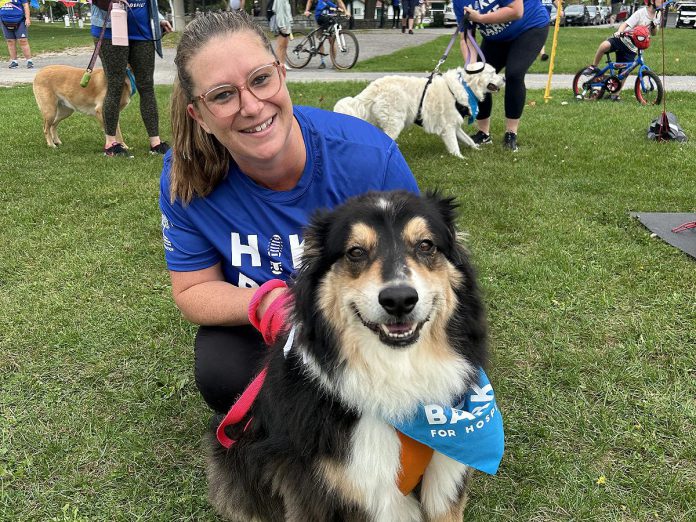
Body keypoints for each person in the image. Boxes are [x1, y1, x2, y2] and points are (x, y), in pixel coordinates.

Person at [160, 10, 419, 415]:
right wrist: (266, 304)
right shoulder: (185, 176)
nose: (251, 106)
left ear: (282, 72)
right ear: (200, 115)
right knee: (222, 370)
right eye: (223, 95)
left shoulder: (369, 159)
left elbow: (420, 266)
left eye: (261, 79)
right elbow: (192, 291)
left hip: (365, 317)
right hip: (269, 325)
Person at [454, 0, 550, 152]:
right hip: (496, 38)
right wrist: (472, 68)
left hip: (529, 27)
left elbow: (516, 11)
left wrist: (480, 18)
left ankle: (511, 133)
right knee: (478, 77)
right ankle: (484, 133)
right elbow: (466, 38)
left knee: (514, 73)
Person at [90, 0, 173, 157]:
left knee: (147, 86)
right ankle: (111, 143)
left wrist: (159, 18)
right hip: (110, 31)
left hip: (143, 32)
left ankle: (156, 143)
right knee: (115, 85)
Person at [585, 0, 661, 100]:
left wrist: (654, 26)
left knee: (624, 72)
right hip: (622, 39)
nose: (663, 1)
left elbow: (654, 33)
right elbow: (625, 24)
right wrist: (619, 32)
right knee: (604, 46)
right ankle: (594, 66)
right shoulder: (641, 13)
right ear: (652, 1)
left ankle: (615, 95)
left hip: (633, 47)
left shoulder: (657, 15)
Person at [304, 0, 348, 69]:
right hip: (319, 19)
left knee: (332, 41)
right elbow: (310, 1)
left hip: (329, 20)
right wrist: (307, 10)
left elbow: (340, 2)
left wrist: (346, 11)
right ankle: (322, 62)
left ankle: (334, 62)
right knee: (321, 41)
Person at [1, 0, 33, 69]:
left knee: (23, 40)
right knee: (10, 41)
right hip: (4, 20)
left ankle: (29, 61)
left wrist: (27, 18)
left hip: (19, 20)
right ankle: (14, 61)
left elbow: (26, 5)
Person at [270, 0, 293, 67]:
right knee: (280, 45)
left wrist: (290, 22)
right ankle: (279, 63)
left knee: (285, 45)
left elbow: (287, 12)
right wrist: (282, 26)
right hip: (281, 24)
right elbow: (279, 13)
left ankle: (282, 62)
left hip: (286, 24)